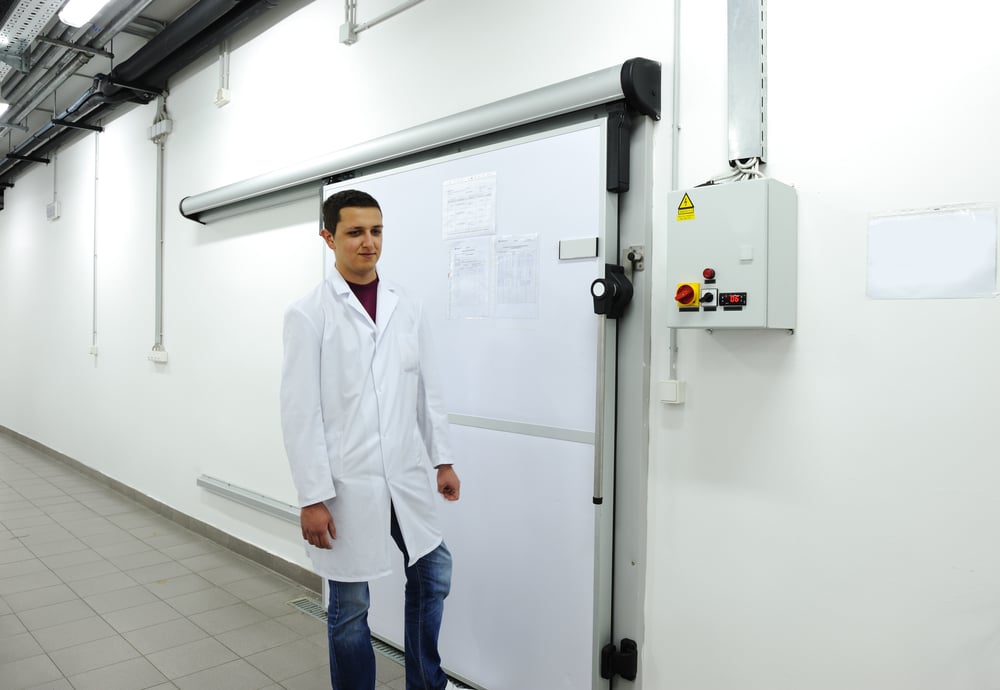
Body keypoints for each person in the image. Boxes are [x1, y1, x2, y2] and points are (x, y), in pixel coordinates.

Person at [280, 189, 462, 690]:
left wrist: (442, 460)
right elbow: (300, 413)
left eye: (375, 231)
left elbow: (427, 388)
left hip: (404, 474)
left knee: (433, 571)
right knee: (350, 606)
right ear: (328, 237)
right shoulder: (309, 314)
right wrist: (311, 497)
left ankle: (426, 683)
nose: (368, 243)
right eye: (355, 232)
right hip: (346, 483)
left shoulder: (408, 305)